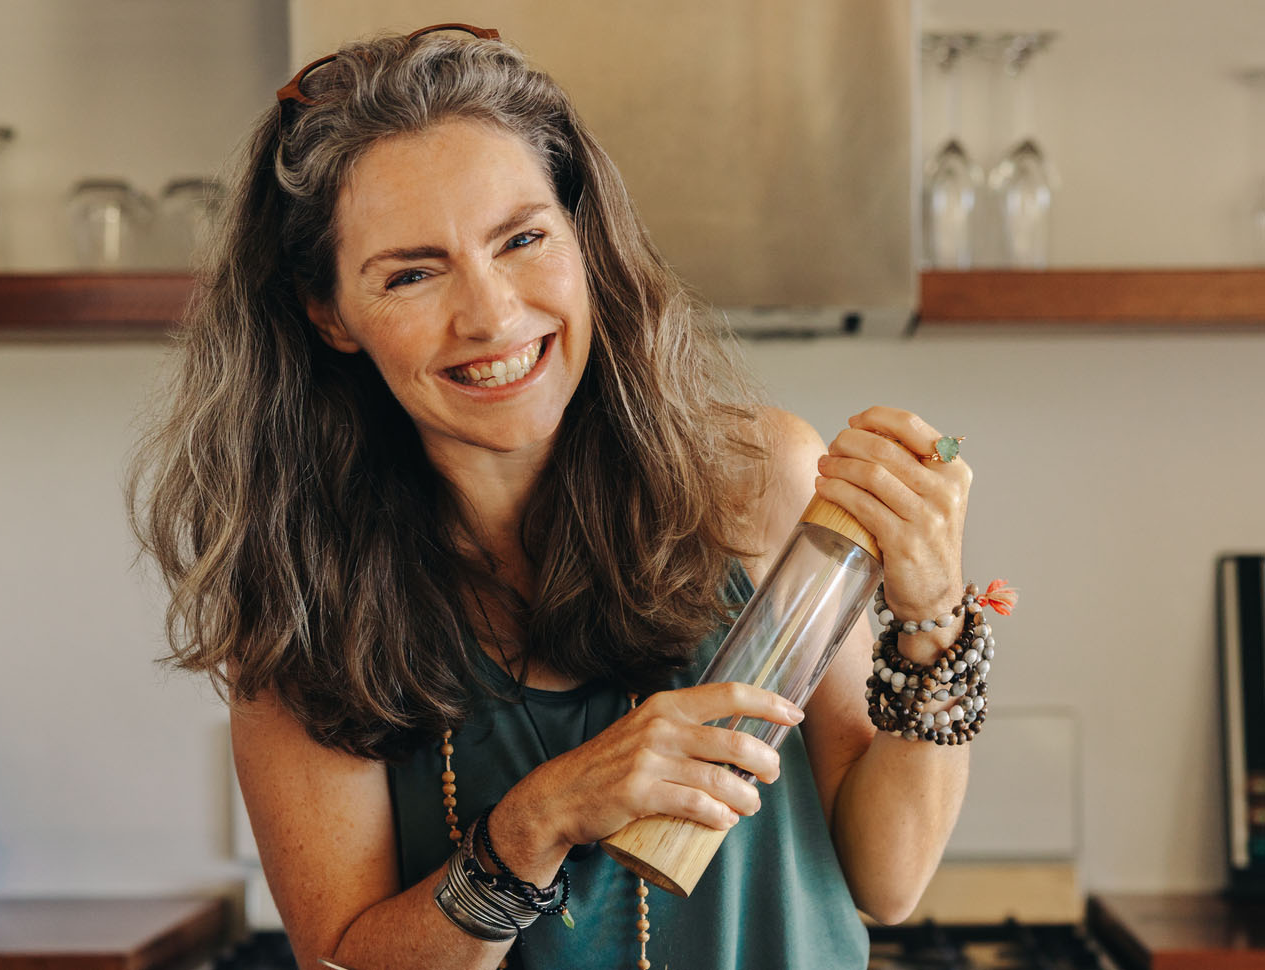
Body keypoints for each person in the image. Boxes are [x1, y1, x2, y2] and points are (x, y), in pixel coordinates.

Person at [129, 24, 989, 970]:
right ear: (328, 312)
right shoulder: (302, 599)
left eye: (523, 238)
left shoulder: (758, 484)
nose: (492, 314)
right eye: (413, 273)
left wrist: (932, 622)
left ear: (582, 238)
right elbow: (346, 957)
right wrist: (537, 821)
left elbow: (888, 880)